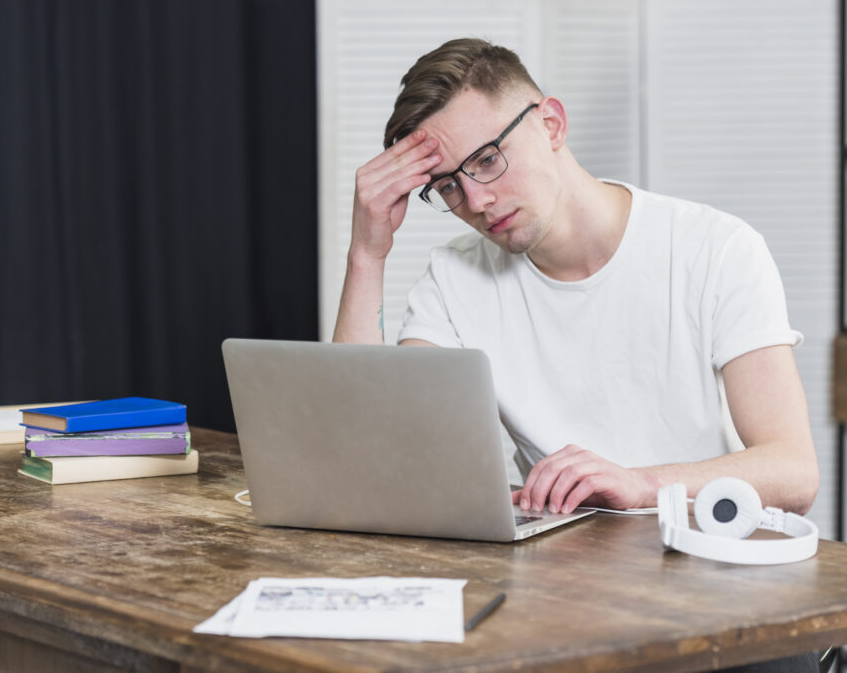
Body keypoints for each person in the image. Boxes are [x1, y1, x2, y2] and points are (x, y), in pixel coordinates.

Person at [332, 37, 818, 521]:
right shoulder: (454, 278)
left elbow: (794, 473)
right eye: (449, 186)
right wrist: (368, 254)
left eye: (486, 160)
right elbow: (370, 458)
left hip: (700, 555)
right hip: (557, 570)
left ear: (551, 125)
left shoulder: (717, 248)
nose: (476, 202)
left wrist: (639, 485)